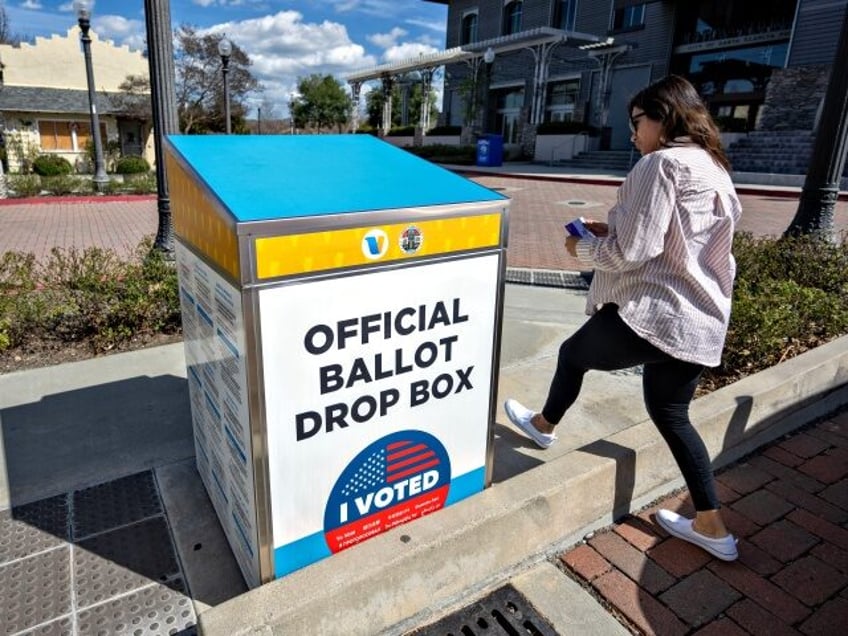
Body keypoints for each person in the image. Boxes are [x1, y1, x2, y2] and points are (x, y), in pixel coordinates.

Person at [504, 75, 742, 561]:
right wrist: (609, 225)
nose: (633, 134)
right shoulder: (714, 167)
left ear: (665, 117)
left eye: (638, 122)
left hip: (658, 313)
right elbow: (675, 235)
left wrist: (584, 247)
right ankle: (712, 525)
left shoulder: (660, 164)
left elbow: (635, 250)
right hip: (702, 317)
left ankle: (544, 425)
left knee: (573, 355)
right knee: (672, 413)